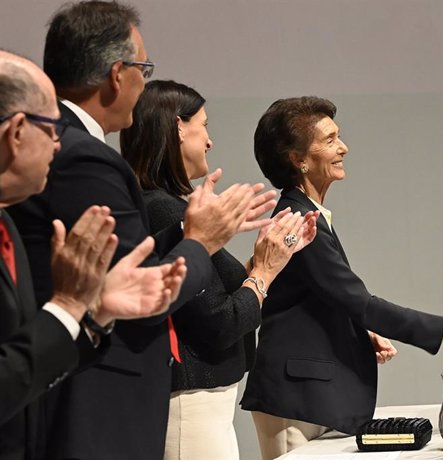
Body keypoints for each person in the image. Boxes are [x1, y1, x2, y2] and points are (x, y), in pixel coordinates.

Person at [7, 2, 276, 459]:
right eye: (143, 68)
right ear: (117, 73)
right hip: (95, 398)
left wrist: (198, 235)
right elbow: (147, 296)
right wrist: (201, 242)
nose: (51, 141)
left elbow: (118, 274)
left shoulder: (83, 153)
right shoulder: (84, 156)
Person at [240, 96, 443, 459]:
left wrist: (358, 332)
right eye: (330, 139)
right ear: (298, 159)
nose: (344, 147)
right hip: (297, 400)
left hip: (312, 396)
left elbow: (321, 300)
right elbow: (357, 300)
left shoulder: (309, 214)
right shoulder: (297, 219)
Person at [0, 50, 187, 459]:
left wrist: (95, 311)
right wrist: (67, 306)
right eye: (51, 127)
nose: (58, 142)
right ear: (16, 132)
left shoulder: (8, 224)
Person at [120, 80, 318, 460]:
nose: (210, 140)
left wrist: (265, 257)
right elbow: (219, 322)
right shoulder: (164, 210)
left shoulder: (168, 206)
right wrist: (264, 273)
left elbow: (208, 294)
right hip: (189, 406)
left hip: (202, 404)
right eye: (204, 125)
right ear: (178, 127)